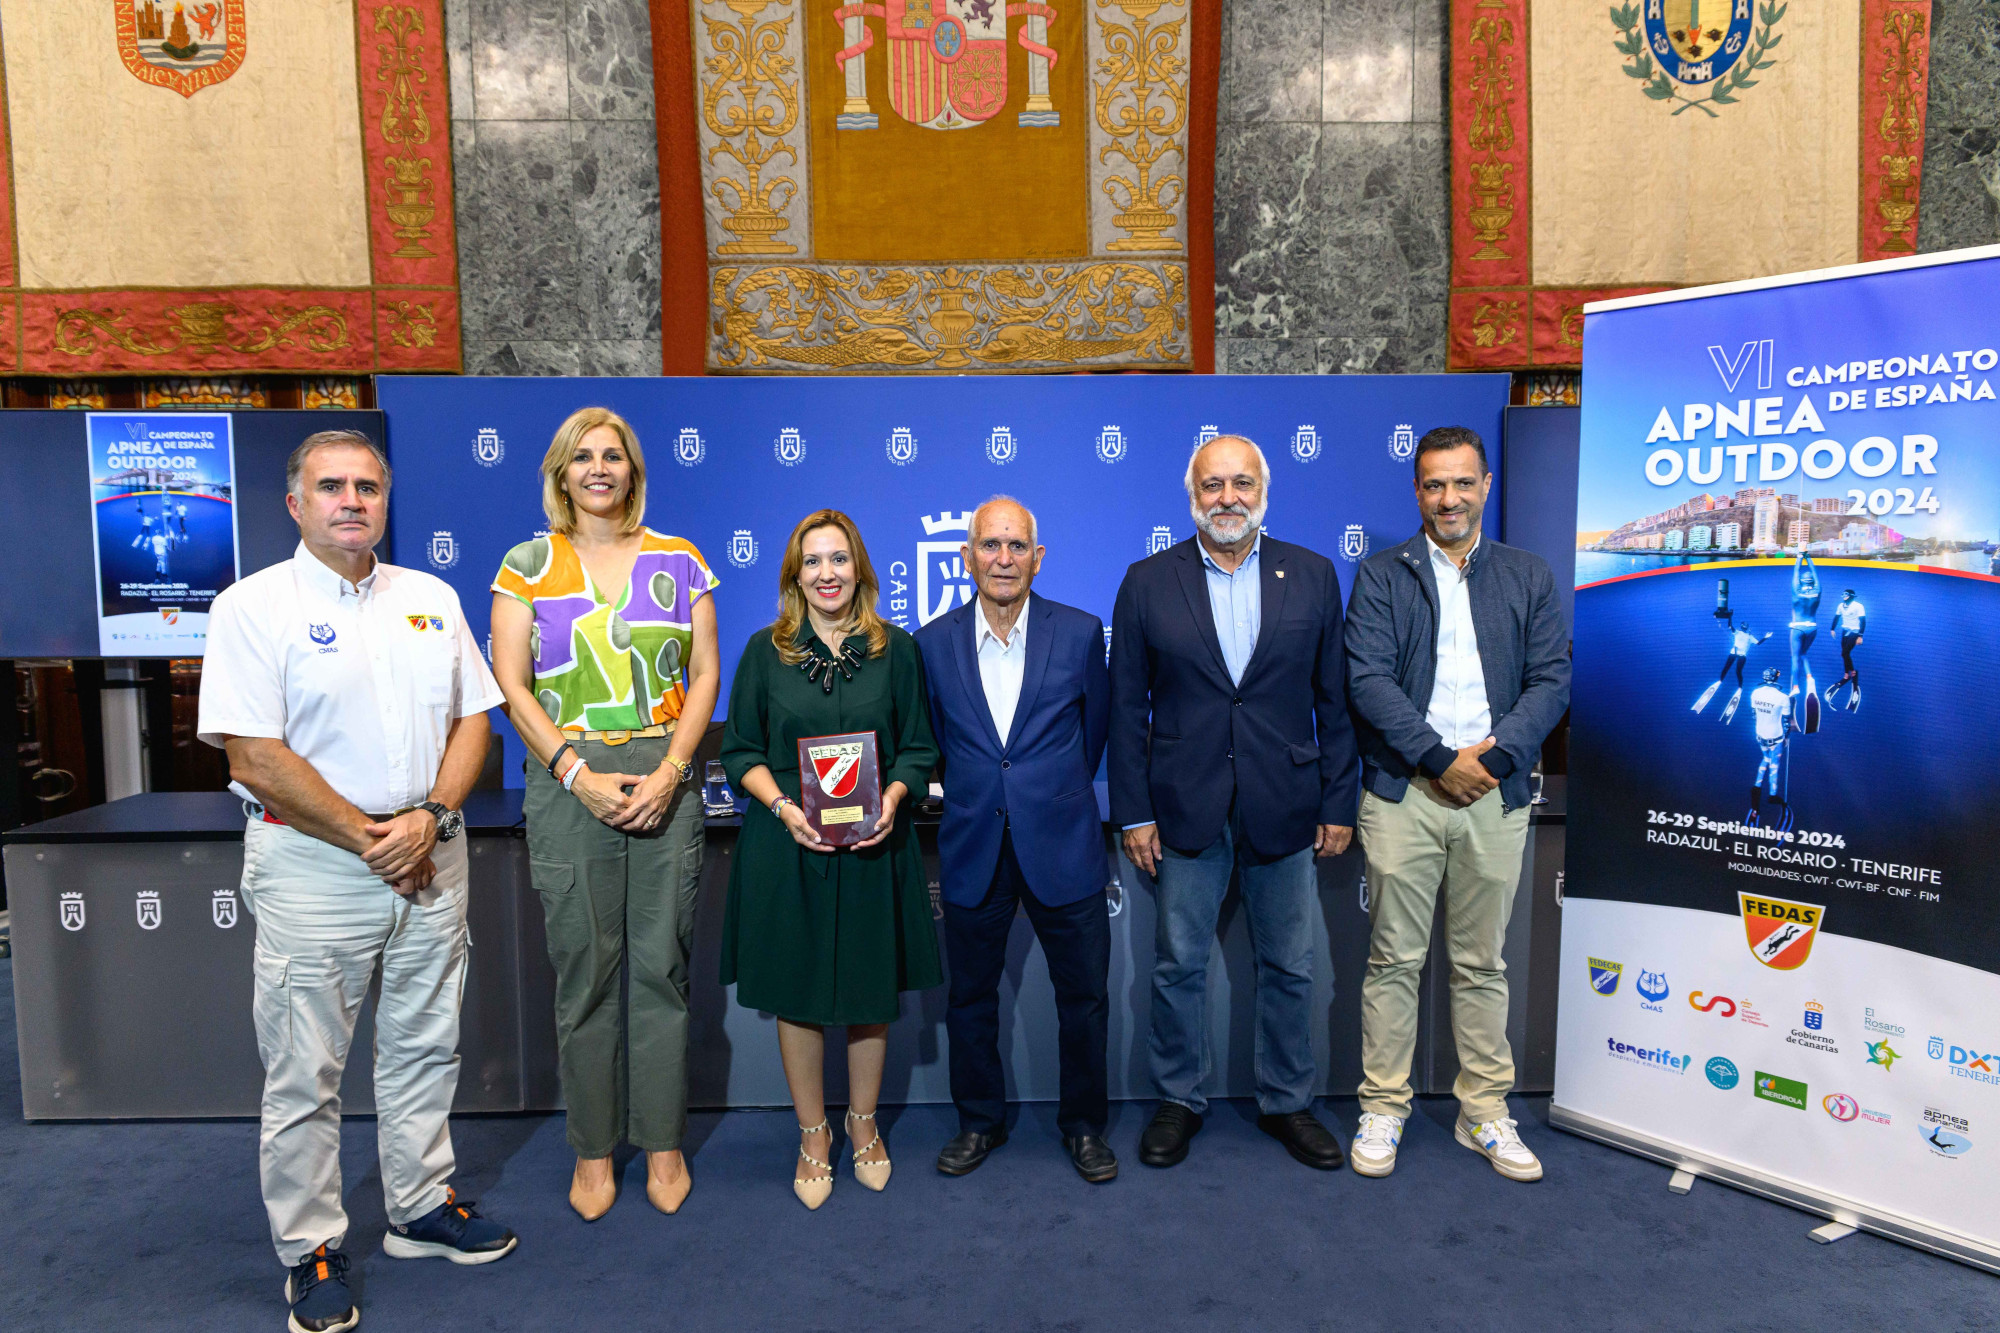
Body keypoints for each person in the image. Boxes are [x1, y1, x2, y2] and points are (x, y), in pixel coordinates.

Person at [197, 430, 517, 1333]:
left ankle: (419, 1203)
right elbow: (255, 753)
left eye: (368, 486)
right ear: (294, 502)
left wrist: (430, 820)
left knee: (424, 1042)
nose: (352, 499)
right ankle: (312, 1248)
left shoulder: (431, 597)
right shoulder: (250, 607)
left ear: (386, 501)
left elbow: (473, 724)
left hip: (430, 852)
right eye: (331, 485)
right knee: (306, 1070)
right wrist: (369, 835)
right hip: (314, 864)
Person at [489, 407, 720, 1221]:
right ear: (561, 473)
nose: (598, 468)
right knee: (586, 973)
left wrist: (672, 770)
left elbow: (704, 677)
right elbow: (512, 684)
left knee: (662, 967)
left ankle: (661, 1142)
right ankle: (592, 1150)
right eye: (582, 457)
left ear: (632, 470)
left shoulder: (680, 559)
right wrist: (576, 772)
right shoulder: (526, 563)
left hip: (664, 769)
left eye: (612, 456)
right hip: (566, 777)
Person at [1109, 434, 1358, 1172]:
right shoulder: (1147, 580)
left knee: (1290, 962)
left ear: (1263, 491)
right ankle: (1178, 1098)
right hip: (1184, 803)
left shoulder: (1312, 575)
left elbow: (1333, 701)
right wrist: (1134, 811)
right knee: (1178, 963)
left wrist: (1338, 801)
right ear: (1191, 494)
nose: (1228, 498)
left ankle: (1287, 1101)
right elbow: (1126, 709)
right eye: (1213, 484)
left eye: (1241, 483)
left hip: (1286, 801)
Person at [1344, 425, 1570, 1183]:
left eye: (1462, 483)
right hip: (1407, 790)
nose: (1449, 498)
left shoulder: (1528, 575)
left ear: (1487, 484)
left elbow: (1552, 680)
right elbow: (1368, 679)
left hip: (1494, 793)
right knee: (1393, 960)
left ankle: (1485, 1113)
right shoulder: (1381, 575)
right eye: (1435, 485)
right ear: (1417, 492)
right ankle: (1384, 1106)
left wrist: (1494, 760)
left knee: (1481, 963)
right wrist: (1441, 759)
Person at [719, 510, 942, 1209]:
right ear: (794, 575)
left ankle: (865, 1125)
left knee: (871, 995)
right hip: (790, 849)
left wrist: (896, 796)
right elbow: (741, 753)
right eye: (812, 562)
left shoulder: (896, 650)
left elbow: (919, 746)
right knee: (800, 993)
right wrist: (785, 808)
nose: (826, 574)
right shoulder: (764, 651)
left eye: (838, 560)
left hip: (874, 846)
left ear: (860, 570)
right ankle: (814, 1135)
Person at [916, 497, 1116, 1183]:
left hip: (1064, 843)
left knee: (1084, 999)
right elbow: (938, 742)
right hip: (975, 843)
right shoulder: (932, 643)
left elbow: (1095, 737)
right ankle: (979, 1121)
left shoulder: (1083, 632)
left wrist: (1045, 794)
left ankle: (1085, 1127)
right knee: (969, 999)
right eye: (991, 545)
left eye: (1017, 546)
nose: (1004, 559)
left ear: (1038, 556)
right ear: (967, 555)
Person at [1692, 616, 1770, 723]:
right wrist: (1730, 617)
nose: (1744, 628)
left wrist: (1766, 637)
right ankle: (1722, 681)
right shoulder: (1738, 632)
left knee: (1737, 671)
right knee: (1728, 668)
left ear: (1746, 628)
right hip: (1734, 653)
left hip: (1741, 655)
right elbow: (1729, 626)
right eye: (1744, 627)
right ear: (1744, 627)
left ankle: (1738, 687)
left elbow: (1758, 643)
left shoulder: (1749, 636)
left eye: (1745, 627)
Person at [1749, 666, 1792, 826]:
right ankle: (1772, 794)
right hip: (1776, 737)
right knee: (1774, 766)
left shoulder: (1755, 693)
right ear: (1776, 678)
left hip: (1760, 735)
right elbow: (1787, 722)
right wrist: (1787, 738)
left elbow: (1754, 714)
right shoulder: (1783, 697)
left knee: (1765, 759)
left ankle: (1756, 791)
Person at [1825, 587, 1865, 711]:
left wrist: (1860, 636)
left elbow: (1863, 621)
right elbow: (1836, 617)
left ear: (1851, 596)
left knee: (1845, 652)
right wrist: (1832, 628)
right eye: (1843, 594)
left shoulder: (1858, 606)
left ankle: (1850, 672)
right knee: (1844, 654)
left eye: (1846, 594)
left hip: (1854, 631)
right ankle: (1848, 671)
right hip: (1845, 630)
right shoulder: (1841, 606)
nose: (1844, 596)